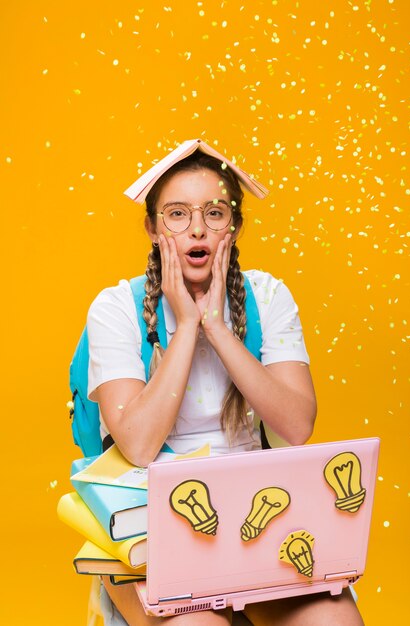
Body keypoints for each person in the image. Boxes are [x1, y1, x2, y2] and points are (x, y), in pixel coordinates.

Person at [86, 145, 364, 625]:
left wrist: (217, 326)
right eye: (177, 214)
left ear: (232, 227)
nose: (197, 230)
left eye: (214, 213)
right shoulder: (114, 308)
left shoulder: (268, 295)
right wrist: (187, 327)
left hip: (259, 526)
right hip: (151, 530)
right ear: (152, 229)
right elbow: (138, 444)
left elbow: (297, 427)